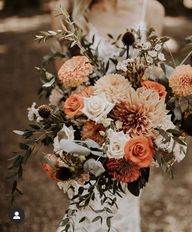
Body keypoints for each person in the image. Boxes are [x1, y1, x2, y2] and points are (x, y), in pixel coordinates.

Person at [50, 1, 165, 231]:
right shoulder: (66, 9)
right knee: (86, 214)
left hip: (131, 144)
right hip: (86, 141)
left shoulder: (152, 10)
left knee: (123, 214)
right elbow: (66, 83)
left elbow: (153, 80)